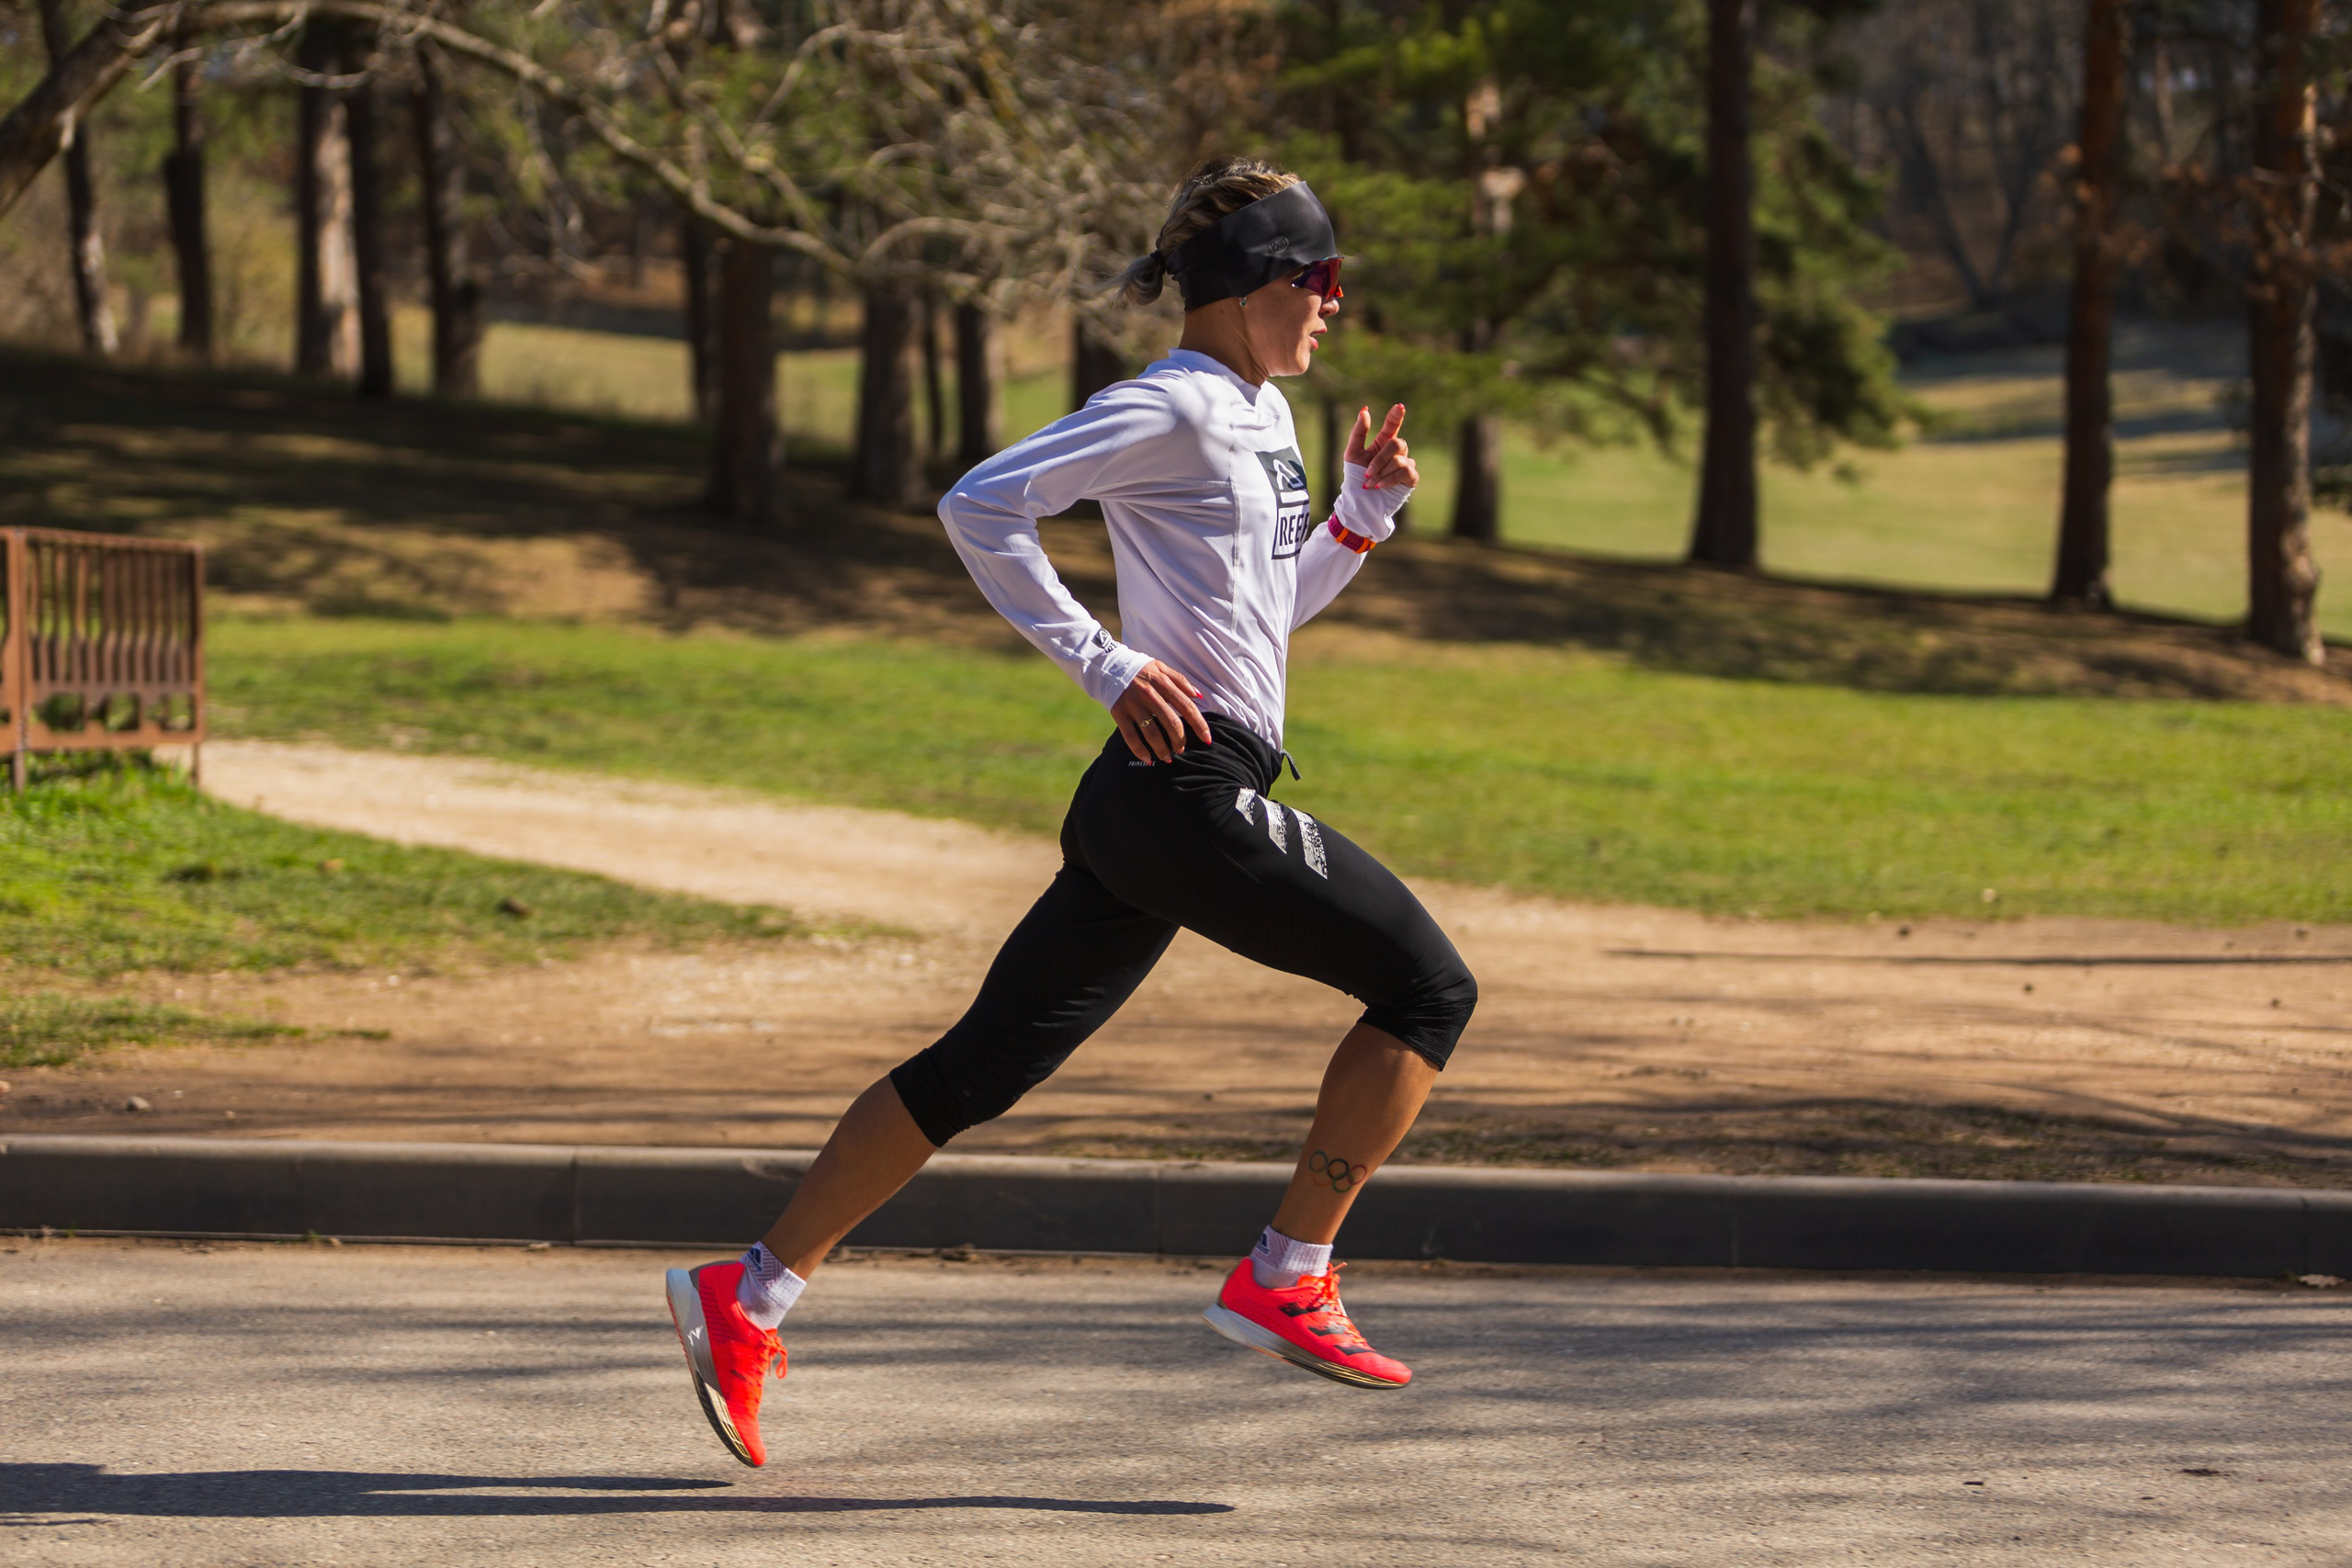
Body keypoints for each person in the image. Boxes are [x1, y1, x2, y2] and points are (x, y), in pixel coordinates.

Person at [664, 156, 1477, 1468]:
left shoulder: (1259, 415)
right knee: (1430, 990)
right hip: (1181, 790)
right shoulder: (1172, 404)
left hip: (1153, 806)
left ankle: (748, 1294)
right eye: (1319, 280)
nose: (1334, 305)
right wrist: (1106, 665)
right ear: (1259, 283)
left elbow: (1261, 624)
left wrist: (1356, 523)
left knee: (978, 1065)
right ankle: (1290, 1271)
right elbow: (980, 503)